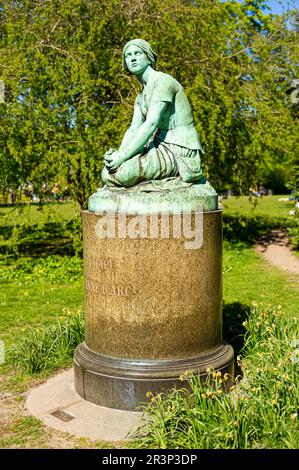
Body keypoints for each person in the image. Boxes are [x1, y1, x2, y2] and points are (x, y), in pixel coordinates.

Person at [102, 39, 204, 188]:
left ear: (149, 58)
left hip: (179, 148)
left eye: (137, 53)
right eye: (128, 55)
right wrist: (118, 155)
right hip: (158, 143)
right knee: (107, 173)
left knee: (124, 173)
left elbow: (151, 124)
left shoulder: (163, 82)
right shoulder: (140, 97)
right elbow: (133, 129)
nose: (133, 58)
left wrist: (123, 158)